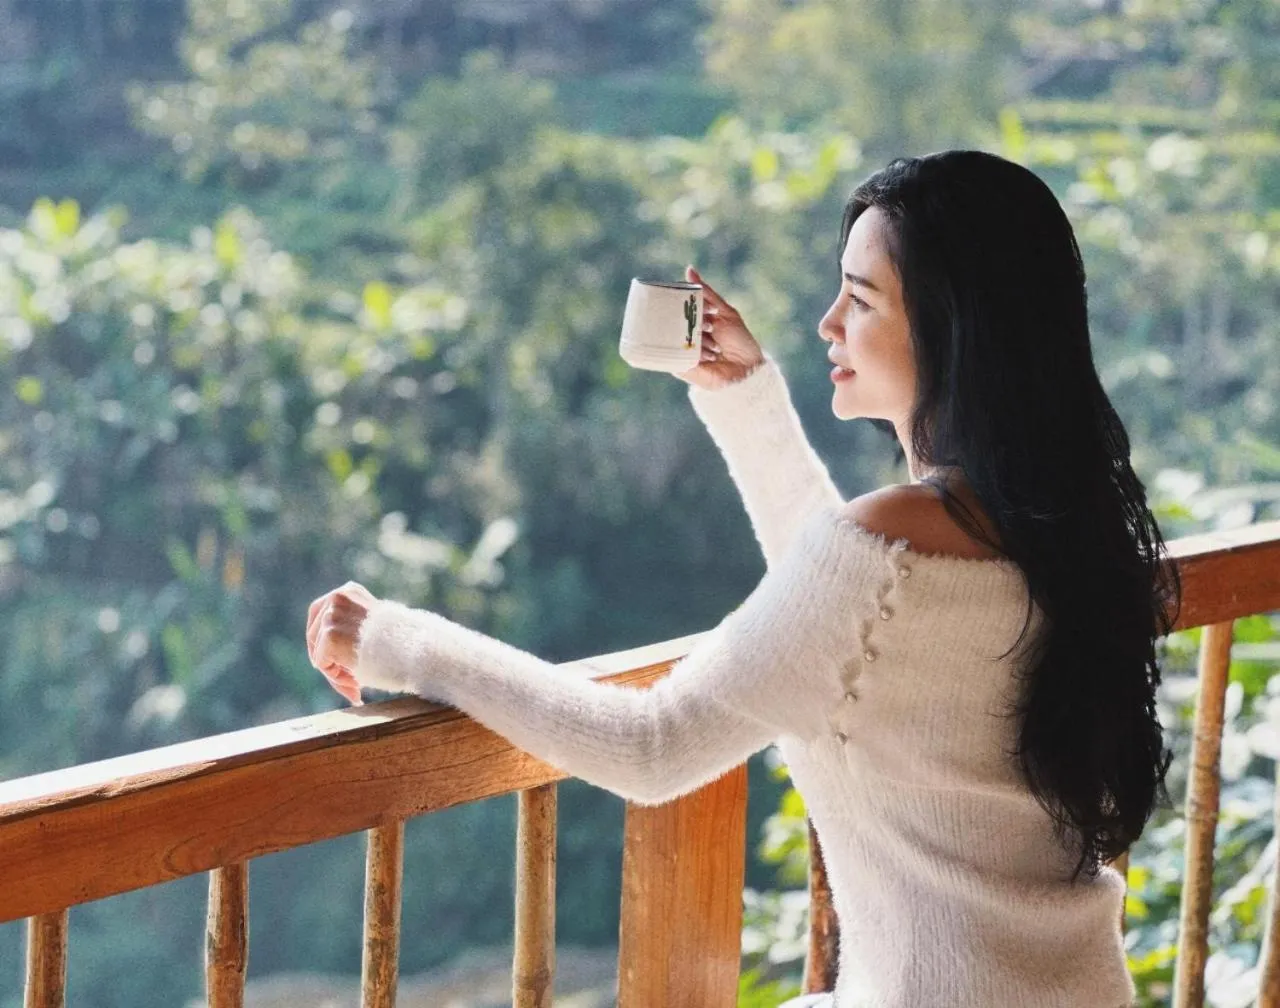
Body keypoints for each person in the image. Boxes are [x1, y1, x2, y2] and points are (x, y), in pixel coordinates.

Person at [306, 149, 1182, 1007]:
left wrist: (398, 640)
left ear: (954, 330)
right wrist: (744, 396)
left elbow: (652, 745)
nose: (827, 322)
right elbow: (847, 625)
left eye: (861, 297)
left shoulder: (886, 547)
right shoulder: (1062, 532)